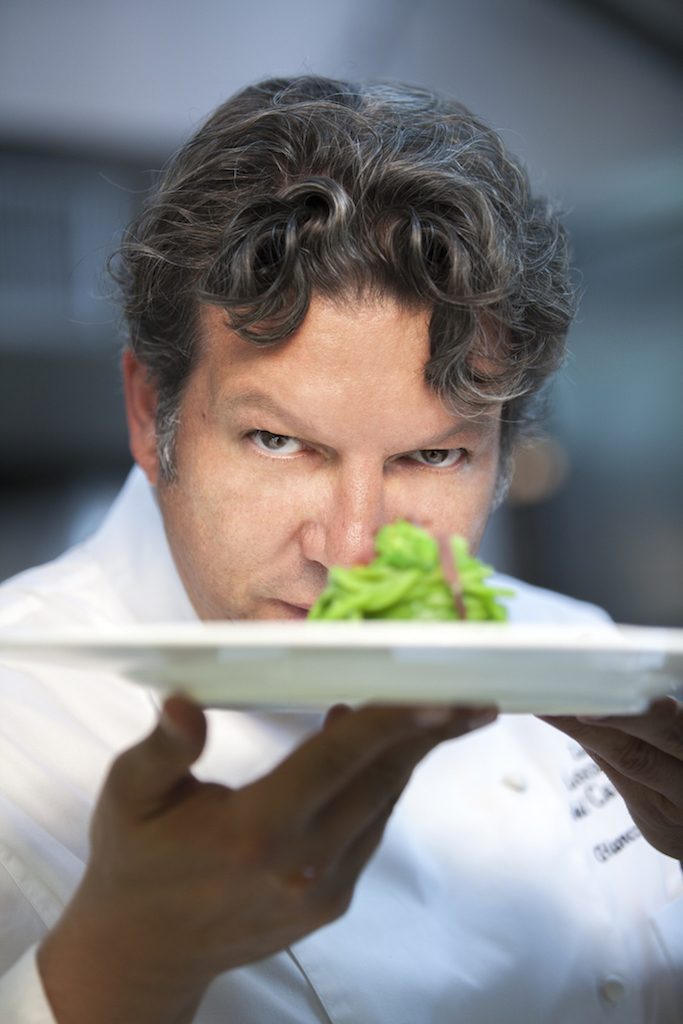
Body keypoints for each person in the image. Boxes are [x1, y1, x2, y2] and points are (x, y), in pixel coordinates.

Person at [0, 76, 681, 1024]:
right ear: (152, 412)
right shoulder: (18, 722)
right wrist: (118, 971)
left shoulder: (588, 662)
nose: (353, 551)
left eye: (432, 456)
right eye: (279, 441)